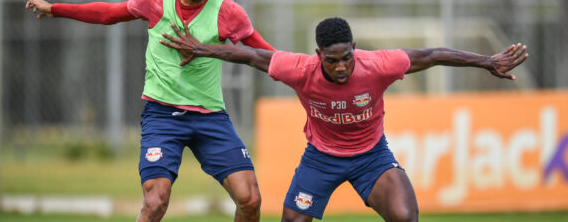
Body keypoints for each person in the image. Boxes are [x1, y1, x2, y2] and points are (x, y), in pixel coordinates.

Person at [159, 17, 529, 222]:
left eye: (347, 57)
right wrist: (200, 48)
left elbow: (431, 54)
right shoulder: (300, 70)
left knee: (405, 217)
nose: (340, 67)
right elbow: (250, 56)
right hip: (320, 160)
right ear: (318, 54)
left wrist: (487, 61)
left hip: (372, 157)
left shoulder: (379, 65)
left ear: (355, 50)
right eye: (332, 60)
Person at [25, 0, 274, 222]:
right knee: (155, 201)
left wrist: (308, 70)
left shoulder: (227, 10)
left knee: (250, 199)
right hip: (163, 114)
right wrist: (55, 9)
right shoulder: (155, 0)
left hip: (210, 116)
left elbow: (264, 54)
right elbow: (108, 14)